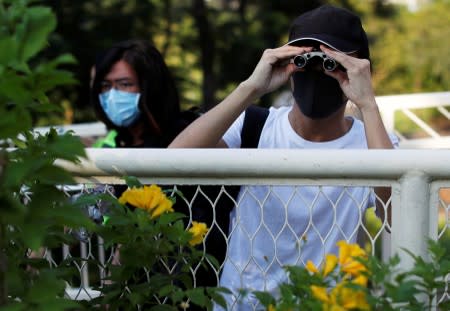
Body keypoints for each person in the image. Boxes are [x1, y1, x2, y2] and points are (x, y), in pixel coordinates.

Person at [169, 4, 398, 310]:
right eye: (305, 60)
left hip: (327, 304)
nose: (318, 72)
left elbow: (396, 214)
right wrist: (251, 88)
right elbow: (173, 162)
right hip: (244, 304)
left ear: (358, 68)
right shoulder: (255, 125)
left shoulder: (373, 141)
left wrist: (368, 103)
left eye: (332, 62)